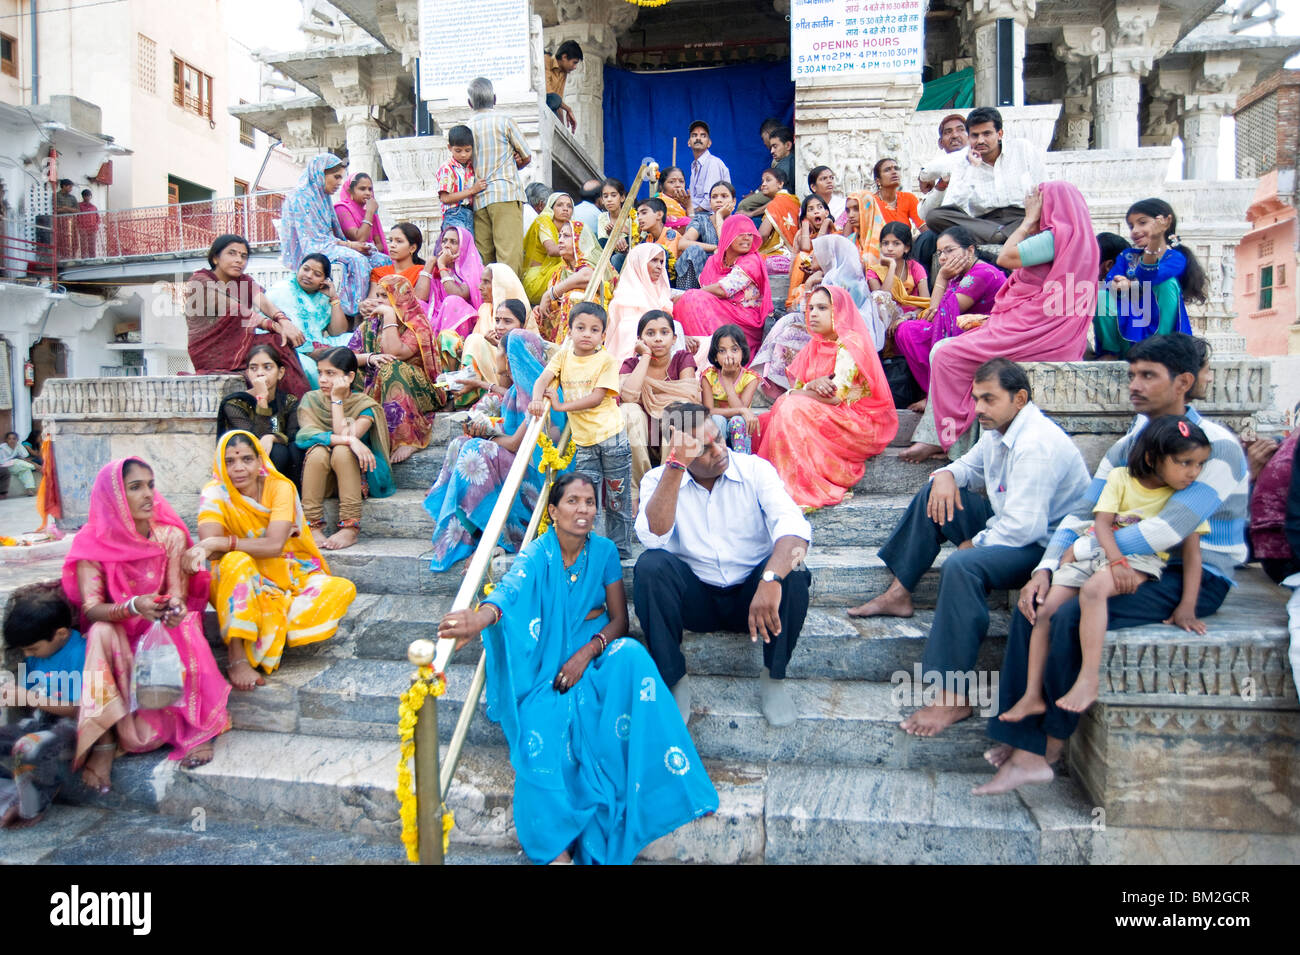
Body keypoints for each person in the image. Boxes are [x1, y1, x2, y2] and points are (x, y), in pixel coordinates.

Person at [982, 334, 1247, 795]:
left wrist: (1083, 553)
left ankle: (1045, 748)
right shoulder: (1129, 447)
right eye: (1131, 375)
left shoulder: (1214, 448)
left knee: (1070, 613)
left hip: (1193, 574)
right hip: (1116, 558)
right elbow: (1084, 512)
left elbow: (1170, 530)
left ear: (1183, 382)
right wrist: (1046, 568)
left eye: (1148, 375)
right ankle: (1022, 737)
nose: (1134, 385)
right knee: (1040, 600)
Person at [436, 473, 718, 865]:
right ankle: (556, 849)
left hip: (595, 651)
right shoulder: (538, 553)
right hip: (545, 664)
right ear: (552, 510)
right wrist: (481, 619)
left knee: (633, 656)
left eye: (589, 502)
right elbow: (511, 589)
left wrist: (587, 653)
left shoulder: (602, 552)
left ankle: (662, 786)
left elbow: (619, 620)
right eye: (573, 501)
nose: (583, 509)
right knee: (540, 727)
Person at [847, 359, 1090, 737]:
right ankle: (900, 592)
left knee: (963, 567)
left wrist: (974, 543)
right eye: (976, 399)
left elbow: (1025, 529)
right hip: (1011, 527)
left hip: (1045, 551)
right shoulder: (997, 430)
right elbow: (967, 468)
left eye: (989, 399)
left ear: (1020, 398)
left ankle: (952, 695)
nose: (978, 409)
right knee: (934, 494)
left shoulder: (1035, 443)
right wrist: (945, 474)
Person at [999, 415, 1212, 726]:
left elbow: (1193, 554)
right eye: (1184, 463)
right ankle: (1032, 695)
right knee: (1046, 608)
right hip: (1099, 550)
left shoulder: (1184, 497)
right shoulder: (1122, 478)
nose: (1193, 472)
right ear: (1153, 458)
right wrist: (1114, 561)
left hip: (1142, 558)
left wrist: (1187, 606)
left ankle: (1089, 679)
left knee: (1095, 590)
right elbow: (1101, 523)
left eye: (1199, 464)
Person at [633, 401, 813, 727]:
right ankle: (674, 679)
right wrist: (674, 468)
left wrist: (771, 579)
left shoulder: (755, 469)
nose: (719, 450)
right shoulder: (656, 480)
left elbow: (796, 530)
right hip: (697, 600)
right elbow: (654, 537)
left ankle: (774, 677)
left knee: (795, 567)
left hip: (753, 598)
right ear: (680, 453)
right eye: (703, 447)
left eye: (718, 437)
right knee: (650, 566)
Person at [64, 458, 230, 790]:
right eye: (135, 487)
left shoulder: (169, 536)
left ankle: (194, 730)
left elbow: (177, 594)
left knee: (185, 624)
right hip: (122, 638)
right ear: (112, 496)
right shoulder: (90, 543)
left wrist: (173, 608)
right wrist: (132, 607)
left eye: (150, 485)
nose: (148, 495)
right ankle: (105, 740)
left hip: (160, 634)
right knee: (99, 631)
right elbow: (93, 608)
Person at [902, 181, 1097, 462]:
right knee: (938, 343)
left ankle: (944, 439)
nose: (1030, 204)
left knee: (945, 352)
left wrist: (1029, 220)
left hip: (1033, 330)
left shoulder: (1055, 238)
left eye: (1036, 200)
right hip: (1039, 327)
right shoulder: (1081, 242)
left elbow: (1006, 258)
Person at [195, 431, 358, 688]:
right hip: (236, 581)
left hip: (287, 573)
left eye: (247, 459)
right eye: (230, 461)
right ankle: (237, 658)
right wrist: (223, 547)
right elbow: (212, 551)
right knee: (235, 561)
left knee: (340, 589)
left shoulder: (280, 488)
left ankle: (270, 624)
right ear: (219, 463)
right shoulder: (215, 493)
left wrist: (223, 542)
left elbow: (273, 545)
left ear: (260, 461)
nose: (239, 468)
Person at [425, 329, 565, 571]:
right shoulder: (515, 391)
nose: (496, 355)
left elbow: (513, 444)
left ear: (511, 357)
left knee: (475, 450)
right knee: (461, 443)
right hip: (517, 467)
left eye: (500, 350)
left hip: (535, 482)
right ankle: (469, 525)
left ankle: (493, 538)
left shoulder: (540, 395)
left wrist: (485, 436)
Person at [757, 285, 897, 510]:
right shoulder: (815, 345)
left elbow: (835, 396)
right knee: (764, 422)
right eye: (811, 307)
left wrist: (798, 392)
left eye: (822, 308)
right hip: (829, 413)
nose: (813, 313)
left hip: (857, 421)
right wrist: (810, 386)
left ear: (839, 311)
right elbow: (809, 391)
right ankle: (772, 485)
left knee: (788, 405)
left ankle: (796, 487)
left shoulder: (851, 343)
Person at [530, 303, 632, 557]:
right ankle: (591, 545)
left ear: (603, 335)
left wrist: (562, 406)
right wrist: (535, 398)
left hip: (611, 437)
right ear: (570, 330)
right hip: (584, 442)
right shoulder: (563, 356)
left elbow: (597, 397)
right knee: (587, 496)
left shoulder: (606, 360)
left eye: (594, 329)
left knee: (617, 494)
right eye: (581, 328)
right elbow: (543, 379)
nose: (587, 334)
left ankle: (621, 548)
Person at [185, 234, 311, 397]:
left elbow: (264, 303)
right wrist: (274, 326)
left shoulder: (244, 281)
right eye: (232, 253)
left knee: (279, 343)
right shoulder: (200, 281)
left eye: (243, 256)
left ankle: (294, 404)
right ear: (215, 258)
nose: (239, 260)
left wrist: (284, 321)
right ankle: (297, 402)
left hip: (238, 345)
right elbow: (235, 309)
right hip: (210, 350)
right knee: (275, 342)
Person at [296, 346, 394, 549]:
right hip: (322, 476)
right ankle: (311, 526)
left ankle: (350, 528)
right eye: (320, 373)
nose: (322, 379)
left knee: (341, 451)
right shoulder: (310, 400)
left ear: (349, 377)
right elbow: (306, 435)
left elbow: (346, 434)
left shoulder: (364, 404)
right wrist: (350, 441)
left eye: (330, 373)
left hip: (357, 476)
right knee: (317, 450)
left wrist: (337, 400)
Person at [894, 226, 1004, 404]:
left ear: (970, 250)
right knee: (906, 330)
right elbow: (935, 313)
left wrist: (941, 278)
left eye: (949, 250)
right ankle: (932, 391)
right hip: (963, 328)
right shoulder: (960, 274)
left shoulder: (981, 273)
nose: (943, 257)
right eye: (939, 253)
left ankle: (936, 394)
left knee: (911, 332)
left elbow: (942, 313)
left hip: (983, 333)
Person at [1, 583, 80, 827]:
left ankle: (32, 809)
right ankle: (9, 794)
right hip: (40, 720)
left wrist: (28, 698)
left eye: (32, 648)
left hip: (70, 728)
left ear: (61, 634)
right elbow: (27, 692)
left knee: (28, 747)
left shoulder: (80, 653)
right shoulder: (36, 654)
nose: (27, 655)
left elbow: (79, 709)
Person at [350, 273, 450, 463]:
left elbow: (394, 352)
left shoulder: (417, 324)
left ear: (400, 297)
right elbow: (346, 357)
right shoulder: (370, 324)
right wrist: (370, 357)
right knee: (350, 372)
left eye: (384, 296)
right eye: (377, 295)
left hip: (421, 391)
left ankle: (407, 439)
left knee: (390, 368)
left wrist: (389, 315)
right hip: (377, 384)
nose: (377, 301)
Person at [1092, 199, 1208, 357]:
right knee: (1101, 295)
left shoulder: (1175, 258)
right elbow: (1110, 281)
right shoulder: (1127, 256)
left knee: (1167, 284)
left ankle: (1158, 350)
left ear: (1165, 222)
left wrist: (1131, 285)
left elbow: (1151, 277)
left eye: (1142, 223)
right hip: (1126, 326)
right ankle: (1110, 352)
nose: (1134, 230)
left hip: (1158, 333)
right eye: (1132, 226)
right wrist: (1118, 284)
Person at [278, 154, 392, 315]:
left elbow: (335, 234)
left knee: (381, 259)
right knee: (357, 260)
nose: (339, 182)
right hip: (314, 248)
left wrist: (355, 245)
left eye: (341, 178)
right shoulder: (301, 197)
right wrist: (351, 245)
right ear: (320, 173)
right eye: (336, 177)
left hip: (330, 243)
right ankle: (355, 311)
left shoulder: (323, 197)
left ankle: (377, 302)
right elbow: (313, 238)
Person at [923, 107, 1046, 248]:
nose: (981, 140)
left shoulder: (1022, 149)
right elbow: (954, 206)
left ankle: (1003, 235)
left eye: (987, 134)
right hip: (985, 224)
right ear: (969, 138)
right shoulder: (963, 162)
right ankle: (999, 236)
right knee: (935, 217)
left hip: (1022, 219)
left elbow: (1044, 187)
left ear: (999, 134)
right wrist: (970, 168)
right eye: (975, 136)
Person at [620, 310, 699, 491]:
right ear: (639, 339)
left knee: (680, 409)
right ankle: (639, 489)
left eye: (664, 332)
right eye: (650, 333)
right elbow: (629, 397)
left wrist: (650, 396)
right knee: (628, 410)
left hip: (671, 432)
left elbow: (689, 394)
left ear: (674, 338)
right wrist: (646, 356)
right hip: (643, 433)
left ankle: (667, 486)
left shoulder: (682, 359)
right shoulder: (632, 364)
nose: (658, 339)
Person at [674, 215, 772, 357]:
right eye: (741, 234)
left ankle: (711, 356)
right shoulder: (714, 261)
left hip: (745, 320)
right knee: (685, 302)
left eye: (750, 234)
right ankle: (697, 355)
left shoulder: (752, 260)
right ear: (728, 234)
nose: (747, 238)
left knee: (692, 297)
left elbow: (723, 290)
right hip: (720, 312)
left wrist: (688, 294)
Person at [466, 77, 531, 273]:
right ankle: (510, 301)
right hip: (505, 193)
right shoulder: (504, 121)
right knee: (508, 258)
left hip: (479, 199)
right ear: (494, 99)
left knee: (484, 260)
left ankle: (488, 302)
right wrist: (515, 163)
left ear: (470, 103)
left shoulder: (467, 126)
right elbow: (526, 155)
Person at [216, 344, 304, 486]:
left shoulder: (288, 401)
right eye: (253, 368)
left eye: (267, 367)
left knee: (292, 450)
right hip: (245, 467)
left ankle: (289, 498)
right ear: (248, 373)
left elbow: (293, 435)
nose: (260, 373)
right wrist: (262, 398)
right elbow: (255, 441)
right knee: (276, 452)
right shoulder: (235, 403)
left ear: (280, 372)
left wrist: (273, 437)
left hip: (283, 467)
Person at [265, 253, 352, 389]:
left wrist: (334, 298)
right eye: (305, 269)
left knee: (351, 339)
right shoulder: (280, 290)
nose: (309, 275)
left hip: (318, 343)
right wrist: (309, 351)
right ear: (298, 269)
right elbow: (267, 328)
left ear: (325, 280)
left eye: (317, 274)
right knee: (310, 368)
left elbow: (338, 332)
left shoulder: (323, 296)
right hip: (290, 346)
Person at [461, 266, 536, 392]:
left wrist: (500, 348)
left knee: (475, 340)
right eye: (497, 320)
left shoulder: (520, 312)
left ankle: (470, 389)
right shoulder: (485, 309)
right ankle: (463, 388)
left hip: (509, 382)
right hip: (492, 373)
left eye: (486, 282)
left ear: (500, 285)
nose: (480, 287)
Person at [912, 113, 971, 276]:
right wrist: (941, 186)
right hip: (946, 227)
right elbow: (924, 213)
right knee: (925, 240)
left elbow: (924, 173)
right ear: (940, 143)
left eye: (960, 130)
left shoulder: (978, 159)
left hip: (974, 221)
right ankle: (925, 296)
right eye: (948, 132)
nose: (954, 135)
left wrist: (923, 176)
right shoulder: (938, 170)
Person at [606, 243, 678, 366]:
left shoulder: (663, 292)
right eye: (654, 260)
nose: (659, 266)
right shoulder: (625, 296)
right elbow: (626, 333)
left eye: (661, 262)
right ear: (639, 263)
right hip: (634, 356)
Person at [866, 221, 931, 344]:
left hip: (913, 318)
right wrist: (891, 267)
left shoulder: (915, 268)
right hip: (885, 323)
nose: (890, 248)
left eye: (896, 244)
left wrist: (905, 317)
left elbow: (926, 302)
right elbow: (882, 300)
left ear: (906, 248)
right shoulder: (873, 272)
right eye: (885, 243)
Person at [701, 324, 760, 453]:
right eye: (722, 351)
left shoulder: (750, 378)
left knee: (737, 420)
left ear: (742, 352)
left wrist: (727, 382)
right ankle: (717, 459)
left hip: (740, 425)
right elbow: (709, 411)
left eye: (734, 350)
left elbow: (741, 411)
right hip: (717, 424)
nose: (729, 355)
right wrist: (740, 410)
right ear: (715, 356)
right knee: (718, 420)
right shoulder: (708, 376)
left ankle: (741, 462)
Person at [535, 220, 595, 345]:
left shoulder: (592, 263)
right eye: (559, 236)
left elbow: (587, 276)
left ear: (581, 239)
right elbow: (553, 304)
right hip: (565, 325)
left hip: (591, 322)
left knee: (572, 296)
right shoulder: (560, 272)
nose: (560, 240)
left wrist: (550, 294)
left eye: (566, 236)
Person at [677, 181, 737, 291]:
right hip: (702, 272)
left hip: (729, 274)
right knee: (693, 250)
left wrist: (719, 216)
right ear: (710, 202)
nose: (719, 200)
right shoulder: (702, 220)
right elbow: (682, 243)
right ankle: (687, 296)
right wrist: (715, 248)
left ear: (734, 201)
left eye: (724, 196)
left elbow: (728, 250)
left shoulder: (739, 222)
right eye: (714, 197)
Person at [427, 224, 485, 337]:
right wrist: (430, 264)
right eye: (444, 241)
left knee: (452, 302)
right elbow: (420, 297)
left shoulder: (474, 270)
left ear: (464, 246)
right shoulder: (438, 268)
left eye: (453, 242)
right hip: (438, 316)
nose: (446, 246)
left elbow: (458, 295)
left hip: (463, 319)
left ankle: (449, 348)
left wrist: (442, 265)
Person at [523, 192, 582, 303]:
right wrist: (580, 250)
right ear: (551, 208)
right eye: (560, 205)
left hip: (552, 275)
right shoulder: (544, 221)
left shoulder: (571, 227)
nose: (565, 209)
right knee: (574, 266)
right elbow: (552, 250)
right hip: (535, 281)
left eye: (569, 206)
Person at [366, 222, 431, 304]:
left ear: (412, 248)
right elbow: (372, 298)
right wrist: (365, 305)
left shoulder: (421, 272)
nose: (392, 245)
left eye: (399, 241)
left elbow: (420, 300)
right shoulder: (379, 272)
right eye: (390, 240)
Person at [436, 125, 483, 235]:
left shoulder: (471, 166)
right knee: (456, 246)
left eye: (467, 150)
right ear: (449, 148)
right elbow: (445, 198)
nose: (463, 154)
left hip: (470, 213)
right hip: (454, 213)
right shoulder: (447, 168)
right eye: (458, 150)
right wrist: (472, 190)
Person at [334, 172, 390, 256]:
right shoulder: (342, 209)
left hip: (370, 254)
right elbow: (360, 238)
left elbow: (380, 245)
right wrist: (370, 213)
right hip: (352, 256)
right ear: (350, 191)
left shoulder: (368, 211)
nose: (368, 193)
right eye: (362, 189)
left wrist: (371, 248)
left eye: (370, 189)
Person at [755, 168, 800, 266]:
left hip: (780, 256)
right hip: (795, 254)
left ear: (780, 184)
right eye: (762, 181)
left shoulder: (776, 203)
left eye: (768, 180)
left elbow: (763, 234)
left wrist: (752, 250)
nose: (763, 184)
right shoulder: (794, 201)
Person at [634, 197, 682, 286]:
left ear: (659, 215)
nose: (639, 218)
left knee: (657, 250)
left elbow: (670, 265)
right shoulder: (648, 238)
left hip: (669, 280)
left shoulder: (670, 234)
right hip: (652, 278)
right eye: (638, 215)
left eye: (644, 213)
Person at [686, 121, 731, 213]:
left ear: (709, 143)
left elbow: (709, 203)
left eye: (703, 135)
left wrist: (690, 213)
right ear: (689, 143)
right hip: (698, 214)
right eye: (694, 135)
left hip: (710, 216)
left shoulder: (713, 163)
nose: (698, 138)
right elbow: (694, 200)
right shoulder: (694, 165)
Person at [872, 158, 924, 231]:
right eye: (887, 170)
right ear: (878, 181)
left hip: (905, 241)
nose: (894, 172)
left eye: (896, 168)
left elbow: (924, 227)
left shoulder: (908, 198)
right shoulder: (871, 201)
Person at [596, 177, 634, 271]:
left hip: (629, 254)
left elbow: (640, 239)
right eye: (605, 196)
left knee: (616, 259)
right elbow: (603, 243)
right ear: (602, 200)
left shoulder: (633, 216)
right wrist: (612, 236)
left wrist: (627, 231)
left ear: (622, 197)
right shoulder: (602, 217)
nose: (609, 200)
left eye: (613, 195)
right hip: (610, 253)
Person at [544, 40, 583, 131]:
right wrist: (568, 109)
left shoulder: (563, 73)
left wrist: (563, 130)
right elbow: (549, 93)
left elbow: (557, 104)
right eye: (574, 62)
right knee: (554, 99)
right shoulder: (546, 59)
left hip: (551, 107)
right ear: (564, 57)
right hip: (541, 105)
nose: (575, 67)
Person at [0, 431, 38, 495]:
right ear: (6, 440)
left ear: (17, 440)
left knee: (26, 470)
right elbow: (2, 461)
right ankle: (36, 467)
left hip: (16, 466)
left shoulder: (19, 446)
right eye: (9, 439)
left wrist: (19, 458)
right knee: (16, 461)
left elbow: (25, 457)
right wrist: (15, 459)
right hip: (5, 468)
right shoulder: (2, 448)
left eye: (14, 439)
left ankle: (29, 490)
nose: (12, 440)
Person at [75, 189, 98, 258]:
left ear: (91, 196)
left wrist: (96, 225)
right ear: (83, 196)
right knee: (83, 244)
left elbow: (97, 217)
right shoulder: (79, 206)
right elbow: (76, 216)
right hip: (83, 228)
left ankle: (93, 258)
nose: (87, 198)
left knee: (92, 244)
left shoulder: (93, 207)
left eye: (89, 196)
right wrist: (79, 226)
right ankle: (84, 258)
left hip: (92, 228)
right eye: (86, 196)